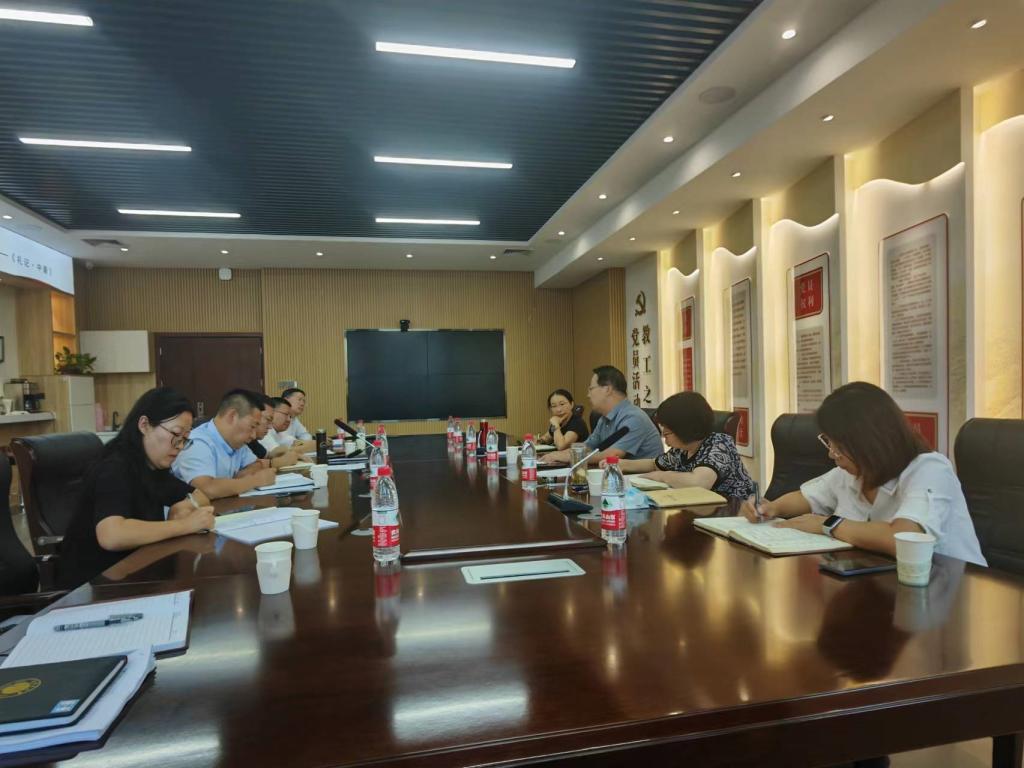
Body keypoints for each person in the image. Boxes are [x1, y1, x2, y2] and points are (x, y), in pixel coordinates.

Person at [740, 382, 986, 565]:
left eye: (839, 447)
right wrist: (770, 508)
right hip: (883, 582)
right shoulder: (853, 472)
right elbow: (806, 497)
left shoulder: (929, 470)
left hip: (953, 590)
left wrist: (828, 524)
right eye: (829, 443)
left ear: (869, 442)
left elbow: (902, 538)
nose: (832, 454)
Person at [56, 387, 216, 589]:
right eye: (176, 434)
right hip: (92, 587)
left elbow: (200, 495)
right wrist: (184, 525)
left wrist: (183, 506)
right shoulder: (114, 466)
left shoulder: (152, 466)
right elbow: (112, 535)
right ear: (144, 425)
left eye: (185, 439)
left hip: (135, 574)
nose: (179, 446)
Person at [616, 391, 754, 498]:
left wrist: (662, 476)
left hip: (734, 513)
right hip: (700, 511)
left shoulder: (720, 444)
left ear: (684, 429)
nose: (663, 434)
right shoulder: (682, 449)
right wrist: (620, 464)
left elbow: (699, 483)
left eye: (667, 431)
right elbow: (654, 464)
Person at [541, 365, 662, 466]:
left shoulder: (633, 418)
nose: (588, 395)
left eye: (591, 389)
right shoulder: (604, 418)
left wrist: (570, 457)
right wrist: (557, 455)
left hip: (643, 483)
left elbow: (612, 455)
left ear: (607, 389)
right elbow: (588, 446)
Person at [172, 388, 277, 499]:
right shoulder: (197, 442)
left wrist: (234, 483)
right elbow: (206, 489)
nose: (253, 436)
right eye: (252, 426)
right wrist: (253, 481)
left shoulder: (237, 442)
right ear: (232, 416)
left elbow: (257, 464)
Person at [251, 395, 306, 469]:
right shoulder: (245, 441)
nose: (270, 427)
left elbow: (267, 456)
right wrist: (274, 463)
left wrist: (287, 452)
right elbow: (245, 470)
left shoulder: (251, 441)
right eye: (268, 419)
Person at [279, 387, 315, 452]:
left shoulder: (294, 418)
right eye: (299, 399)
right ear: (286, 400)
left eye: (304, 401)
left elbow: (305, 435)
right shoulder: (277, 417)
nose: (302, 404)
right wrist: (309, 444)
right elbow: (285, 440)